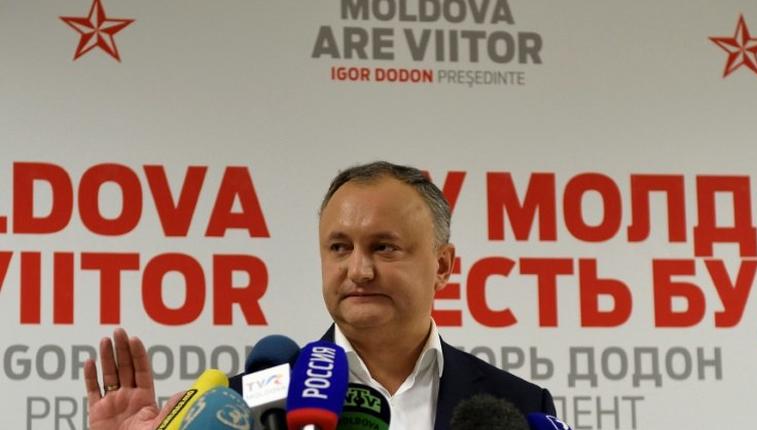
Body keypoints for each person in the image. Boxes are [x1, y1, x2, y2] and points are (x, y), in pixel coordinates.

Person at [84, 161, 555, 430]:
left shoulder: (521, 405)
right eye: (339, 247)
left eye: (383, 247)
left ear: (443, 266)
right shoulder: (239, 403)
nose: (359, 269)